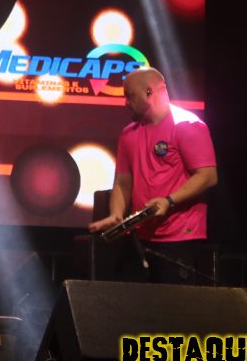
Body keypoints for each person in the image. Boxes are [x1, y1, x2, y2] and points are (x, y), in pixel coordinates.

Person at [88, 66, 217, 284]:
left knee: (171, 302)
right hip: (140, 236)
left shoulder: (187, 125)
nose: (126, 102)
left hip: (179, 236)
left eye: (130, 95)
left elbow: (207, 176)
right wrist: (116, 214)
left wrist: (169, 201)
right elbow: (122, 181)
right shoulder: (129, 133)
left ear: (149, 92)